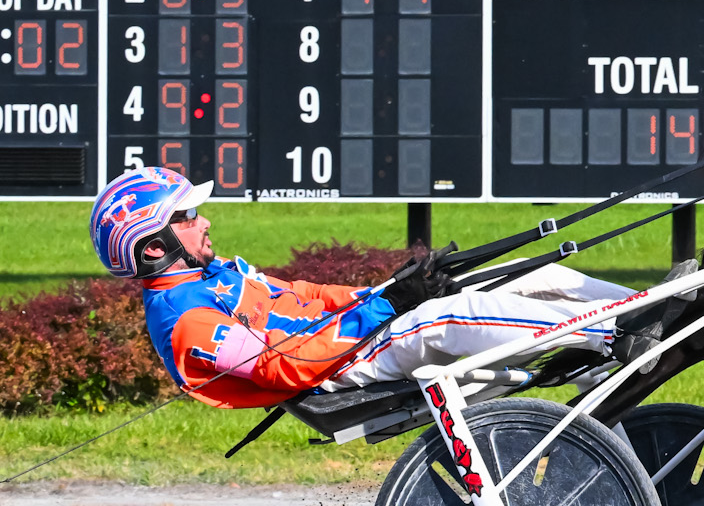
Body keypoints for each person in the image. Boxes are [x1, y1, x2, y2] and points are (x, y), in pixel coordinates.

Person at [89, 167, 650, 409]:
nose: (205, 221)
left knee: (529, 271)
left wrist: (384, 291)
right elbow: (282, 369)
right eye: (187, 217)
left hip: (346, 336)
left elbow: (304, 296)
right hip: (332, 369)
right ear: (154, 246)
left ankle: (644, 307)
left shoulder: (213, 274)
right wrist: (390, 308)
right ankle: (613, 334)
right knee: (449, 317)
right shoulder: (188, 323)